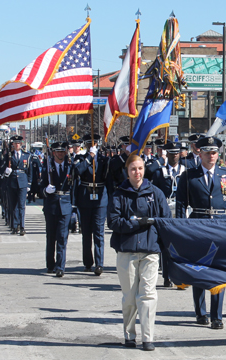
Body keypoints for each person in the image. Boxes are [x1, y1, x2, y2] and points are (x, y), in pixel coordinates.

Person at [176, 136, 226, 330]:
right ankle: (200, 311)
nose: (211, 156)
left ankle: (217, 315)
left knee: (218, 272)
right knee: (199, 269)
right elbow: (181, 205)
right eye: (207, 152)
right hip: (197, 226)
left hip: (221, 227)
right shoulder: (189, 176)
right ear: (200, 153)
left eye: (214, 152)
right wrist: (181, 231)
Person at [108, 154, 171, 351]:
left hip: (150, 251)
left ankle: (147, 337)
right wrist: (136, 223)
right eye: (133, 169)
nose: (137, 172)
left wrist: (154, 230)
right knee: (129, 296)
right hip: (127, 251)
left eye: (140, 168)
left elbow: (165, 220)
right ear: (127, 171)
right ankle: (129, 335)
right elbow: (114, 222)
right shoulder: (119, 194)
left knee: (148, 295)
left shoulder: (156, 193)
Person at [73, 134, 111, 275]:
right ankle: (88, 262)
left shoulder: (104, 159)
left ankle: (99, 264)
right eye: (90, 144)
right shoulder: (81, 158)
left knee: (99, 233)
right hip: (85, 197)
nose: (92, 146)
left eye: (94, 144)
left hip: (100, 198)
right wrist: (90, 157)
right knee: (86, 233)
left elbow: (109, 177)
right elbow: (77, 171)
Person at [151, 141, 186, 287]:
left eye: (176, 153)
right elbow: (155, 194)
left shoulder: (186, 171)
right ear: (167, 155)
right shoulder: (159, 173)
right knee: (166, 245)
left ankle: (180, 276)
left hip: (182, 209)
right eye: (171, 153)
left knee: (181, 245)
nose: (174, 156)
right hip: (165, 210)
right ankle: (167, 276)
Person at [40, 142, 73, 277]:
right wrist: (45, 191)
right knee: (51, 237)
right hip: (51, 204)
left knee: (62, 237)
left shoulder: (70, 166)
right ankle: (50, 264)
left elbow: (74, 186)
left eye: (62, 152)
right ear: (53, 153)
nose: (60, 154)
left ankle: (60, 266)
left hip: (65, 204)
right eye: (58, 152)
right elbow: (39, 187)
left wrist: (74, 206)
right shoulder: (47, 167)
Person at [4, 135, 32, 235]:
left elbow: (29, 171)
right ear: (13, 144)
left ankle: (22, 226)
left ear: (21, 144)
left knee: (21, 205)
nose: (17, 145)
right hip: (12, 182)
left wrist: (29, 183)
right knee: (13, 206)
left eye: (18, 143)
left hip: (23, 181)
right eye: (15, 143)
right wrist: (6, 172)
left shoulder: (26, 155)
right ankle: (15, 226)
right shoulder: (9, 156)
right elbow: (3, 168)